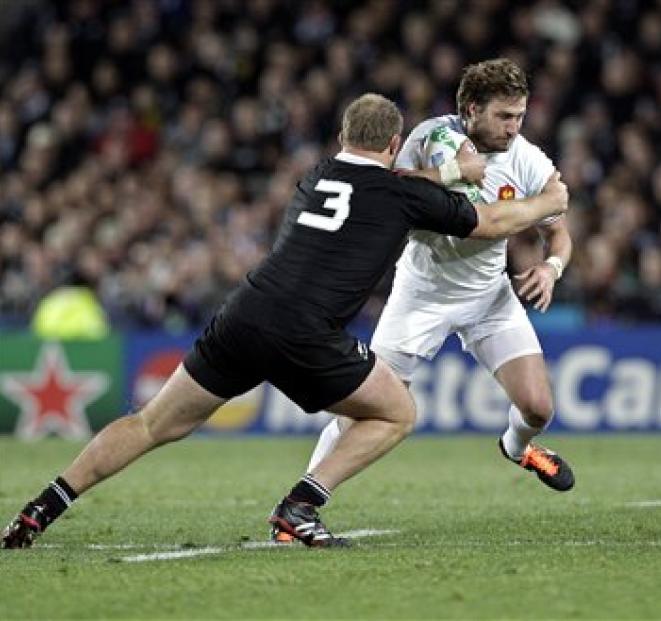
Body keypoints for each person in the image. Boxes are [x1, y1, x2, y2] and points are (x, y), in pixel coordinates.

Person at [1, 93, 569, 549]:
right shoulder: (403, 197)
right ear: (396, 144)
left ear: (343, 139)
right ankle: (301, 504)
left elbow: (379, 187)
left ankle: (43, 507)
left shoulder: (315, 174)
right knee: (396, 412)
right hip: (305, 332)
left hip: (244, 312)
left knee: (152, 424)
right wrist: (546, 203)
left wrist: (443, 172)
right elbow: (493, 223)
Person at [300, 59, 575, 512]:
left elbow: (558, 233)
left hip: (490, 298)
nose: (513, 127)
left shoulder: (528, 160)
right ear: (470, 109)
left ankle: (517, 447)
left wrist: (552, 268)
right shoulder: (429, 139)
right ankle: (303, 502)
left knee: (539, 408)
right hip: (420, 294)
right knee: (361, 411)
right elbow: (388, 187)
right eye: (504, 116)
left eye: (520, 116)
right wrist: (452, 174)